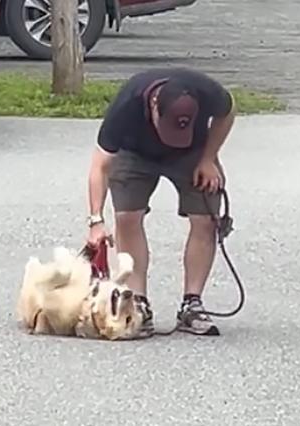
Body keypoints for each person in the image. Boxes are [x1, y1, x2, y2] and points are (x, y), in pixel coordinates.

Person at [85, 67, 236, 338]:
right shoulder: (128, 103)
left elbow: (228, 112)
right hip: (135, 152)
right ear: (154, 106)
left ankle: (192, 304)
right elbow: (100, 165)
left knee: (205, 219)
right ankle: (138, 303)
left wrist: (208, 158)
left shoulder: (206, 90)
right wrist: (96, 221)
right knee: (128, 217)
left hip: (192, 151)